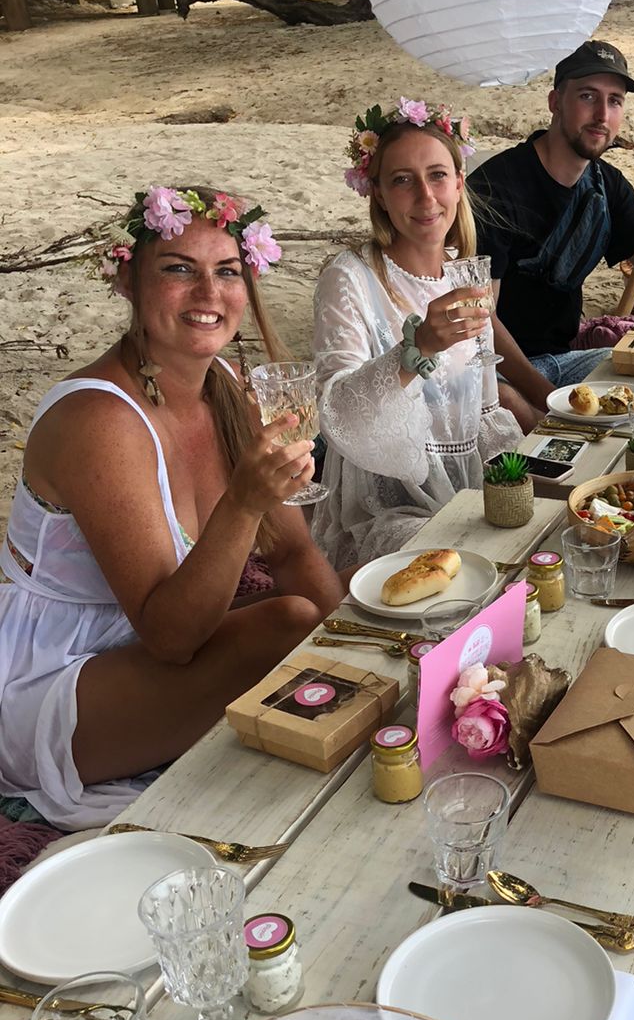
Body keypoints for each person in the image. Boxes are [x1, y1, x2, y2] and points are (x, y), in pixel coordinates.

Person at [0, 185, 343, 831]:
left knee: (321, 623)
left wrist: (358, 653)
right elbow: (171, 636)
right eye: (179, 269)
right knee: (289, 628)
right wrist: (243, 501)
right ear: (131, 283)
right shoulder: (100, 419)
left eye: (227, 272)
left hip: (146, 647)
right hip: (56, 675)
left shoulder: (231, 391)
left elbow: (293, 552)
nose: (209, 294)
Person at [313, 99, 535, 567]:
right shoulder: (350, 278)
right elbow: (336, 415)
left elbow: (487, 415)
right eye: (402, 180)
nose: (425, 197)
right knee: (468, 567)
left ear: (459, 183)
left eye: (437, 175)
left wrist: (519, 485)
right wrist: (414, 351)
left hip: (468, 497)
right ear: (377, 193)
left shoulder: (464, 278)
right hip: (386, 511)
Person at [468, 40, 634, 387]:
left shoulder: (607, 185)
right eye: (587, 96)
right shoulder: (496, 188)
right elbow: (482, 319)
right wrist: (545, 398)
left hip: (565, 360)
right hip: (496, 370)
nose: (602, 116)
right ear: (555, 102)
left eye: (614, 101)